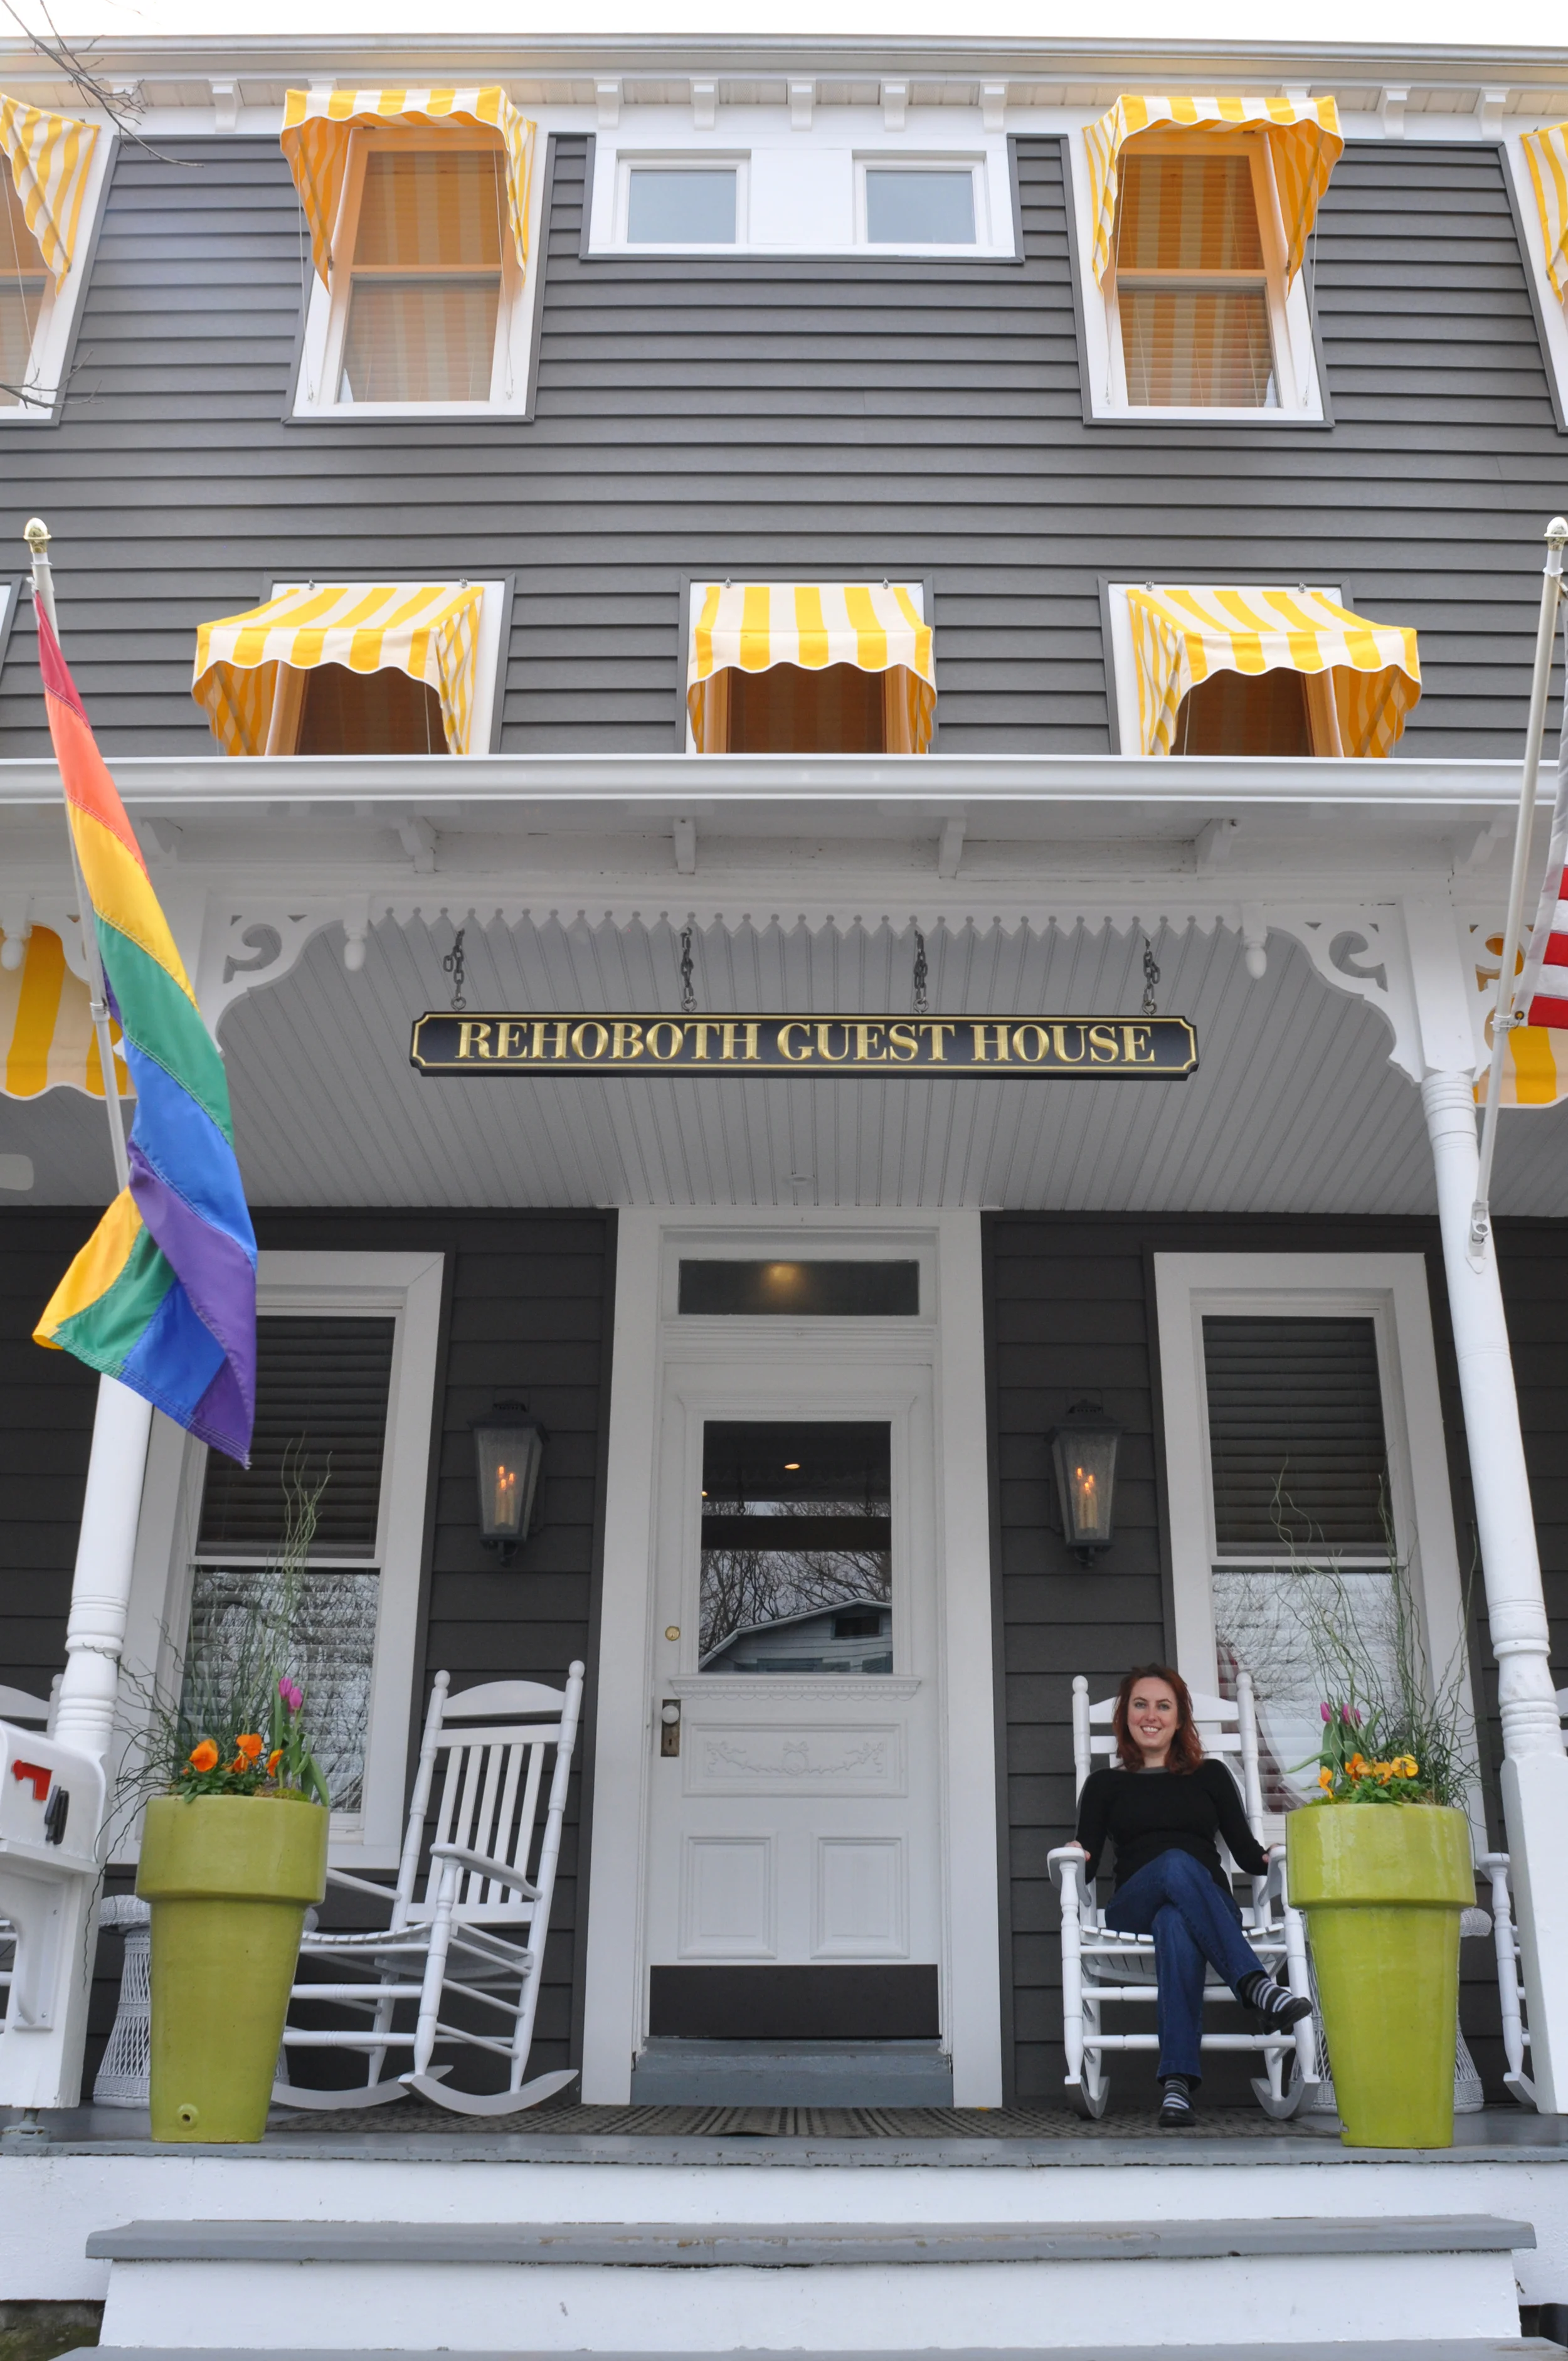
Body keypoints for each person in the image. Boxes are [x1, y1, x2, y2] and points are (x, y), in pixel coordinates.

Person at [1071, 1662, 1312, 2127]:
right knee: (1178, 1863)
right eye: (1140, 1705)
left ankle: (1177, 2086)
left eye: (1164, 1706)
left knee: (1176, 1922)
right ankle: (1257, 1986)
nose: (1151, 1715)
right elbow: (1088, 1854)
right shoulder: (1105, 1784)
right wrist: (1074, 1851)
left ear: (1180, 1719)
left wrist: (1273, 1857)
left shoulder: (1213, 1776)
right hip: (1132, 1907)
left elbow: (1245, 1855)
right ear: (1126, 1716)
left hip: (1205, 1909)